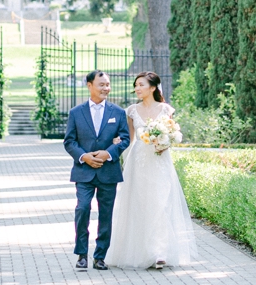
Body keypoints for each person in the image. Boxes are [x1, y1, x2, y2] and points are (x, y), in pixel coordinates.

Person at [105, 71, 197, 269]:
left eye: (141, 85)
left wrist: (164, 143)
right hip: (138, 161)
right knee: (139, 204)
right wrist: (115, 145)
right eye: (136, 85)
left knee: (161, 203)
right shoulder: (131, 110)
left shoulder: (165, 109)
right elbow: (128, 139)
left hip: (160, 160)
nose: (137, 88)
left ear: (153, 88)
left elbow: (172, 135)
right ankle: (141, 251)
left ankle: (160, 252)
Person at [62, 70, 130, 270]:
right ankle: (81, 254)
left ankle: (100, 256)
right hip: (84, 172)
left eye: (107, 84)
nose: (105, 88)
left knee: (105, 214)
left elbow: (125, 138)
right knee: (82, 209)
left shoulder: (117, 112)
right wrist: (85, 157)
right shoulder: (76, 112)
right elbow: (69, 142)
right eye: (101, 84)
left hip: (108, 171)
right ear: (89, 85)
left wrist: (107, 153)